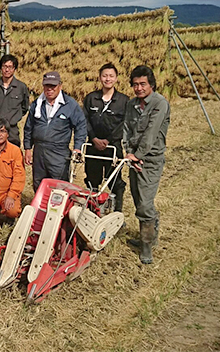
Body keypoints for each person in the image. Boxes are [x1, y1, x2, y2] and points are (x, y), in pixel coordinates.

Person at [123, 65, 170, 264]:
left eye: (143, 84)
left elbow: (151, 133)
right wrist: (128, 152)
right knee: (137, 198)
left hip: (150, 160)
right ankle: (152, 232)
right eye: (135, 84)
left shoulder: (159, 103)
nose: (139, 88)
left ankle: (146, 245)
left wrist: (139, 154)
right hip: (133, 158)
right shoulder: (132, 104)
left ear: (151, 84)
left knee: (144, 203)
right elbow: (126, 128)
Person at [23, 71, 87, 191]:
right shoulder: (37, 104)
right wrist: (27, 148)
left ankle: (58, 209)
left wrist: (78, 147)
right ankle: (41, 208)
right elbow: (28, 127)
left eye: (53, 86)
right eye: (47, 86)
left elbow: (81, 126)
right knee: (39, 184)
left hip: (59, 152)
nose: (50, 89)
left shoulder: (70, 104)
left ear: (60, 86)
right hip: (39, 151)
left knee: (59, 185)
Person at [82, 63, 130, 212]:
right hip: (93, 146)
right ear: (99, 77)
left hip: (113, 147)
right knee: (92, 180)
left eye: (111, 76)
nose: (107, 79)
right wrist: (94, 138)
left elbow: (125, 124)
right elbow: (84, 120)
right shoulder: (91, 98)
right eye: (104, 76)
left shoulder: (123, 100)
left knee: (114, 180)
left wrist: (109, 140)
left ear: (116, 78)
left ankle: (117, 213)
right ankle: (92, 210)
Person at [0, 54, 30, 147]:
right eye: (4, 66)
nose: (7, 70)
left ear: (14, 69)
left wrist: (13, 118)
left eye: (10, 67)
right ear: (1, 68)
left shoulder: (21, 87)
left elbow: (24, 107)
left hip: (12, 131)